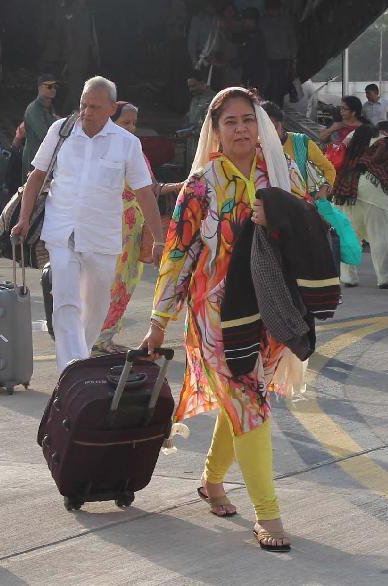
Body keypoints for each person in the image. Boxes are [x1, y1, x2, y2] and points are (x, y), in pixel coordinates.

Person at [142, 86, 298, 552]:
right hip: (215, 320)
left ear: (260, 124)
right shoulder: (200, 187)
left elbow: (307, 229)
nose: (241, 128)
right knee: (250, 404)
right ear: (216, 130)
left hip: (268, 313)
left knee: (243, 400)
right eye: (229, 121)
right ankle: (268, 514)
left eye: (247, 119)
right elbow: (177, 255)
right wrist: (158, 319)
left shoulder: (282, 177)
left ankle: (211, 482)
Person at [11, 76, 164, 372]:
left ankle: (78, 358)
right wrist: (24, 217)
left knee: (94, 308)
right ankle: (73, 369)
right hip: (62, 230)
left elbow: (145, 193)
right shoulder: (61, 131)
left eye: (94, 106)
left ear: (110, 108)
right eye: (83, 104)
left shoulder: (127, 144)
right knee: (65, 299)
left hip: (102, 237)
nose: (86, 112)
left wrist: (158, 239)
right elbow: (37, 176)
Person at [92, 101, 183, 355]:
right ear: (111, 121)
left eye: (134, 123)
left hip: (134, 230)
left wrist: (178, 186)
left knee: (126, 282)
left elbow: (152, 188)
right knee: (110, 283)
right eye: (125, 123)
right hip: (108, 227)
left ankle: (105, 337)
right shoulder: (100, 150)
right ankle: (98, 338)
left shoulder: (135, 151)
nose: (131, 128)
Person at [331, 124, 388, 289]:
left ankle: (348, 277)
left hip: (344, 187)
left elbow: (340, 153)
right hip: (371, 191)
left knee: (349, 234)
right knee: (380, 234)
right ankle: (384, 278)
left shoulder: (355, 134)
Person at [262, 100, 335, 200]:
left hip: (300, 205)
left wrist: (324, 189)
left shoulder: (301, 142)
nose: (270, 133)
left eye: (273, 127)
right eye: (264, 130)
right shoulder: (256, 148)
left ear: (281, 124)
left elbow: (329, 169)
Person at [260, 0, 296, 106]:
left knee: (280, 86)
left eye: (275, 9)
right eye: (272, 9)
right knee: (268, 85)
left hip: (283, 59)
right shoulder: (263, 22)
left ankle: (278, 108)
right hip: (267, 59)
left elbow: (292, 41)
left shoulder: (286, 21)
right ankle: (268, 107)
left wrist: (293, 59)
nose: (274, 11)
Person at [22, 74, 59, 173]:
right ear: (40, 88)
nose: (53, 90)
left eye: (55, 87)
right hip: (34, 158)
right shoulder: (34, 109)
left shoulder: (50, 108)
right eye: (49, 87)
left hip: (47, 157)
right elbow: (44, 135)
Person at [184, 74, 214, 165]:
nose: (191, 89)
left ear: (203, 83)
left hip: (206, 142)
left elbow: (213, 123)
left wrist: (194, 131)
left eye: (194, 86)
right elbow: (191, 117)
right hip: (192, 142)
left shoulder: (213, 99)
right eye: (189, 87)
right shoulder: (194, 100)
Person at [238, 7, 268, 94]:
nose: (247, 22)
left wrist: (228, 62)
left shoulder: (257, 36)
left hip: (257, 74)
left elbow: (248, 55)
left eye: (250, 20)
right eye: (246, 19)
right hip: (247, 73)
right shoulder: (245, 34)